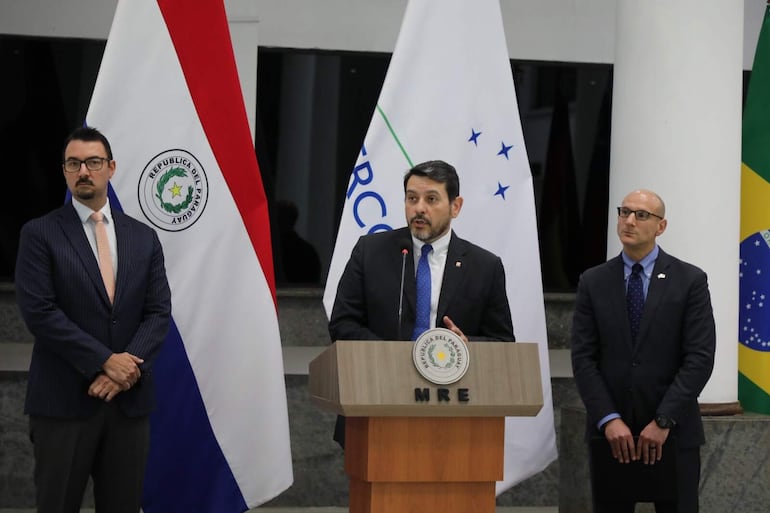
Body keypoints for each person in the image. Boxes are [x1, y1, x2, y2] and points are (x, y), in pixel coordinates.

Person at [15, 126, 172, 513]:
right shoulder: (39, 234)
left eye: (93, 162)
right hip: (62, 403)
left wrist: (126, 367)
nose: (83, 171)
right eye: (74, 163)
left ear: (111, 168)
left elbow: (158, 312)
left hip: (128, 404)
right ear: (65, 172)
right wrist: (106, 361)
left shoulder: (144, 237)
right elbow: (41, 312)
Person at [328, 159, 515, 445]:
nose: (419, 208)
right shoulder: (371, 252)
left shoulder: (484, 267)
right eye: (412, 198)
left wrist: (467, 345)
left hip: (454, 418)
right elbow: (342, 324)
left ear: (456, 206)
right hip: (377, 406)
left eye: (431, 199)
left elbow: (503, 343)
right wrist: (398, 359)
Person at [570, 189, 715, 513]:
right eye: (624, 212)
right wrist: (609, 420)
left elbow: (700, 357)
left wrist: (663, 421)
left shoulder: (689, 280)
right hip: (612, 436)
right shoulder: (593, 281)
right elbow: (583, 357)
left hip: (672, 434)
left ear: (661, 226)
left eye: (641, 215)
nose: (629, 221)